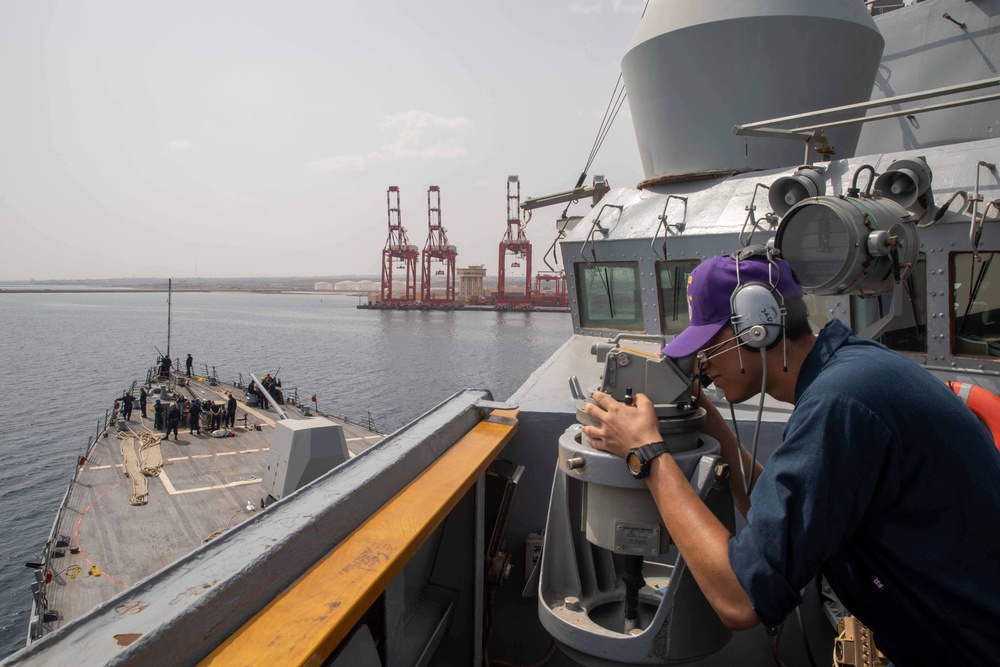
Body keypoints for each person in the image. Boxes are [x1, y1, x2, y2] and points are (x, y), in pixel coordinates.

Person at [582, 250, 1000, 667]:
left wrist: (648, 454)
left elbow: (741, 599)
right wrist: (707, 418)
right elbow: (786, 508)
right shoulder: (852, 372)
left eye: (708, 346)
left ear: (757, 327)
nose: (703, 368)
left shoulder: (839, 405)